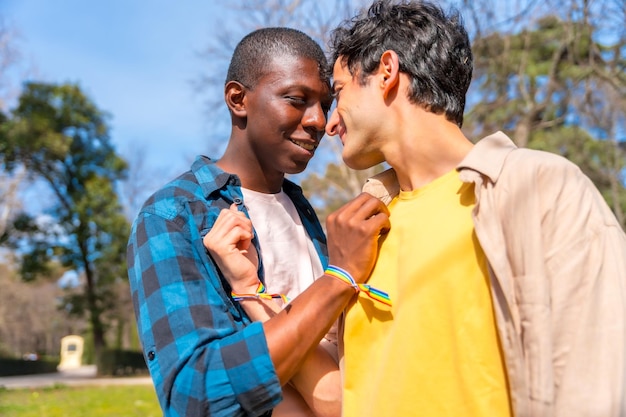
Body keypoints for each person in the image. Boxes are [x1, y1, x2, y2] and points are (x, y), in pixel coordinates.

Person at [321, 1, 626, 416]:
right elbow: (344, 397)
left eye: (338, 93)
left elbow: (595, 385)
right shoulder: (359, 230)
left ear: (387, 72)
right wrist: (253, 289)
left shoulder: (540, 189)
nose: (329, 123)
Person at [126, 27, 390, 417]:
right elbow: (194, 396)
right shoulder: (174, 215)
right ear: (238, 99)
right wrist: (341, 276)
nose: (319, 120)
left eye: (326, 103)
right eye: (297, 100)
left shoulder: (303, 210)